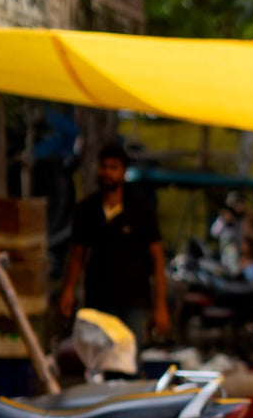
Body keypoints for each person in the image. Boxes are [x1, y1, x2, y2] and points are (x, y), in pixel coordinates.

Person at [58, 140, 170, 350]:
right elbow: (77, 255)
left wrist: (161, 306)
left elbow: (157, 259)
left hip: (133, 299)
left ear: (123, 172)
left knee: (128, 359)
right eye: (104, 167)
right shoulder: (87, 209)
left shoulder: (141, 210)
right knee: (99, 359)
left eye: (113, 168)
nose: (107, 173)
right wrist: (68, 290)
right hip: (98, 297)